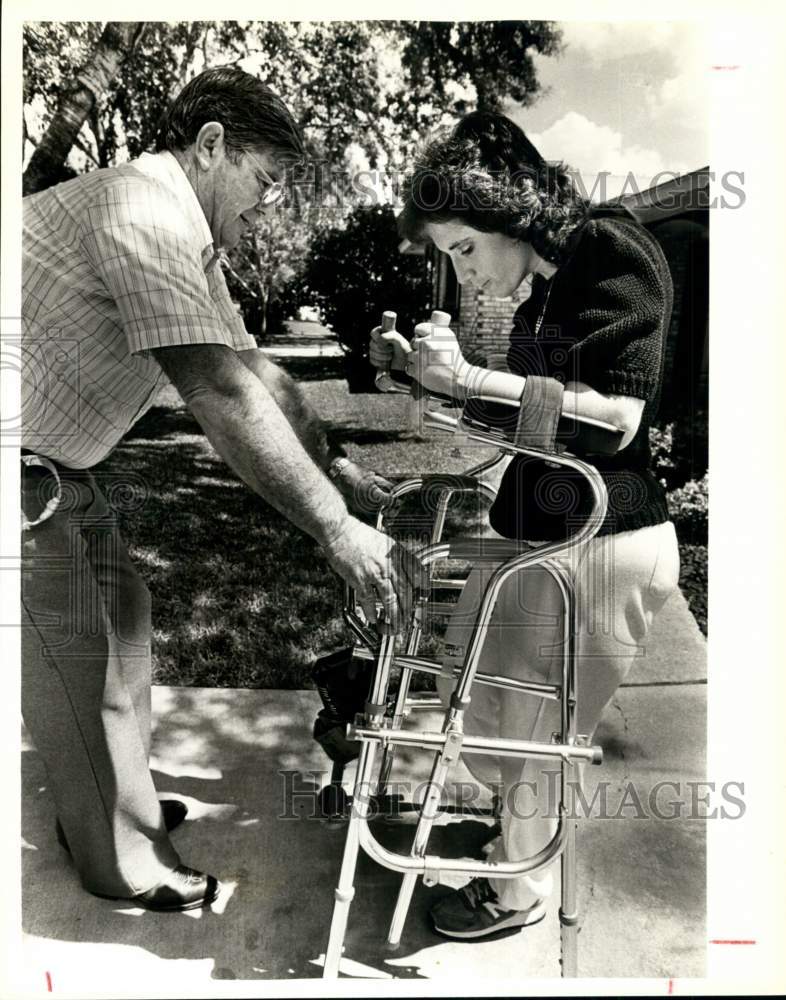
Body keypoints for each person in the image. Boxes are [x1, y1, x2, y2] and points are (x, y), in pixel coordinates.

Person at [21, 66, 425, 912]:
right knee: (77, 666)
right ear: (210, 147)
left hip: (64, 467)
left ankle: (111, 809)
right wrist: (336, 533)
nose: (268, 205)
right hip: (22, 475)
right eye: (265, 180)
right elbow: (214, 389)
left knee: (125, 641)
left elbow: (256, 372)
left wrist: (338, 473)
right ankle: (123, 860)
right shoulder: (142, 209)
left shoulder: (187, 235)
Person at [370, 110, 680, 939]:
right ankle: (519, 840)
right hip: (546, 538)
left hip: (603, 545)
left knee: (538, 731)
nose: (462, 276)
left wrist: (471, 372)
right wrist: (428, 377)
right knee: (494, 708)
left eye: (465, 249)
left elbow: (616, 416)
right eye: (448, 259)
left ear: (510, 212)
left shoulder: (610, 250)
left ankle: (515, 891)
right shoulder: (553, 285)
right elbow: (541, 428)